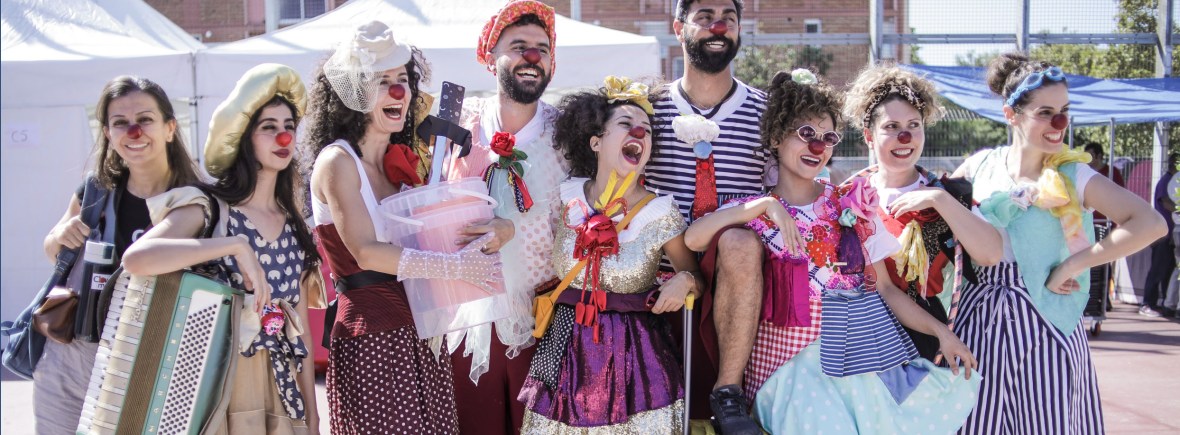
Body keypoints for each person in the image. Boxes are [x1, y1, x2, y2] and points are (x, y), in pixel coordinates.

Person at [685, 69, 981, 434]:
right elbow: (694, 239)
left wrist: (941, 333)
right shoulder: (751, 211)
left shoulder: (850, 204)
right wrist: (763, 206)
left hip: (850, 367)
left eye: (828, 137)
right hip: (785, 373)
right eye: (806, 134)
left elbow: (885, 289)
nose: (817, 146)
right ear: (776, 137)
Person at [302, 21, 507, 434]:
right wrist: (455, 268)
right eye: (382, 82)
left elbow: (437, 238)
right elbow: (366, 251)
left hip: (420, 331)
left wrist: (498, 228)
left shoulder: (401, 164)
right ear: (356, 93)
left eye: (402, 79)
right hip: (371, 335)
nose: (399, 91)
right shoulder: (337, 162)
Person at [951, 53, 1167, 434]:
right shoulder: (978, 167)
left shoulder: (1072, 173)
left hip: (1046, 322)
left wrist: (1072, 264)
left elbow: (1150, 223)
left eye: (1065, 111)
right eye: (1046, 112)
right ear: (1010, 114)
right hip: (977, 322)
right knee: (974, 423)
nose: (1060, 123)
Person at [122, 64, 322, 434]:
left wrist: (313, 415)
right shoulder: (210, 208)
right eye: (268, 127)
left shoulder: (297, 227)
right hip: (218, 388)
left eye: (288, 126)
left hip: (281, 391)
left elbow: (302, 331)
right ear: (244, 138)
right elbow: (137, 258)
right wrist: (234, 245)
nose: (283, 137)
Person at [516, 76, 704, 433]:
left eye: (647, 129)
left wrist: (684, 281)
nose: (639, 132)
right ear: (596, 142)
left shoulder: (660, 212)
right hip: (564, 348)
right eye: (625, 123)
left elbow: (698, 280)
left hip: (638, 358)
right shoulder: (565, 195)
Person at [35, 76, 201, 434]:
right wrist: (60, 236)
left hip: (154, 357)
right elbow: (53, 250)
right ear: (108, 134)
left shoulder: (195, 199)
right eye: (121, 123)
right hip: (74, 356)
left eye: (145, 119)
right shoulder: (96, 190)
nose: (134, 131)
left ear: (170, 128)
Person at [643, 1, 768, 431]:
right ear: (678, 28)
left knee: (738, 241)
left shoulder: (766, 112)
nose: (718, 26)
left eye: (729, 19)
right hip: (662, 276)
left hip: (741, 272)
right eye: (704, 17)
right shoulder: (647, 109)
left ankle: (728, 393)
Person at [443, 2, 567, 433]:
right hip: (466, 320)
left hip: (546, 319)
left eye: (542, 49)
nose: (532, 56)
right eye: (519, 46)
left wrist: (515, 227)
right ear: (490, 56)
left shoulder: (569, 133)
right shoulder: (460, 122)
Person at [842, 64, 1003, 361]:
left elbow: (991, 254)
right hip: (857, 333)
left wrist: (940, 200)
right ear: (868, 136)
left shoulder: (947, 194)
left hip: (923, 341)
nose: (905, 137)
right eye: (891, 127)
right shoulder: (848, 198)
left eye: (914, 125)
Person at [1142, 154, 1179, 317]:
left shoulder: (1171, 180)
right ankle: (1147, 303)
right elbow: (1165, 202)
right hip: (1162, 234)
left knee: (1168, 270)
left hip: (1169, 233)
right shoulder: (1167, 181)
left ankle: (1165, 303)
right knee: (1157, 269)